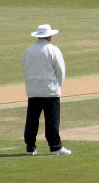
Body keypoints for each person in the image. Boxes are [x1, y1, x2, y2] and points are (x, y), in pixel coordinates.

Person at [23, 24, 70, 156]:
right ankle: (55, 147)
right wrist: (57, 86)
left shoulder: (28, 50)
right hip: (49, 90)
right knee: (52, 120)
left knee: (32, 120)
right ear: (49, 36)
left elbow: (26, 68)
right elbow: (60, 70)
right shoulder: (53, 50)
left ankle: (30, 147)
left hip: (33, 90)